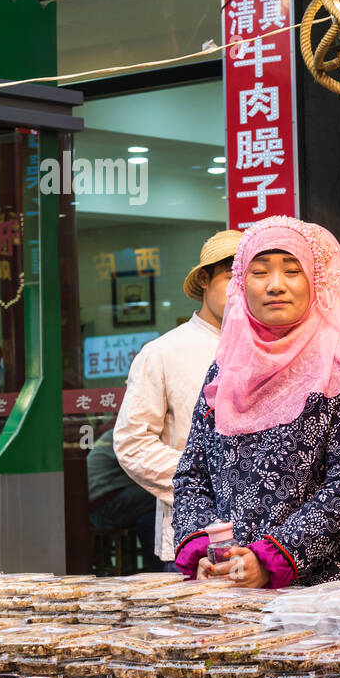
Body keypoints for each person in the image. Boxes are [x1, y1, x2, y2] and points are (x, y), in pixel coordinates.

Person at [171, 216, 340, 588]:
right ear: (241, 284)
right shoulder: (226, 367)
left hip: (317, 591)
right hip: (226, 587)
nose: (275, 286)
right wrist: (206, 551)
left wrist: (270, 559)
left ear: (314, 280)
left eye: (292, 271)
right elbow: (192, 474)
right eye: (259, 272)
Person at [114, 229, 241, 568]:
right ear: (204, 279)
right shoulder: (163, 352)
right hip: (195, 533)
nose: (240, 291)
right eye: (230, 277)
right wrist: (202, 482)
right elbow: (132, 443)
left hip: (266, 535)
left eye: (248, 278)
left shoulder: (272, 349)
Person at [86, 427, 162, 572]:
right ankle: (161, 566)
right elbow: (150, 466)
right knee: (167, 493)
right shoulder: (126, 434)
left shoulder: (122, 432)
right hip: (105, 508)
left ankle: (159, 564)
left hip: (106, 504)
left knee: (153, 514)